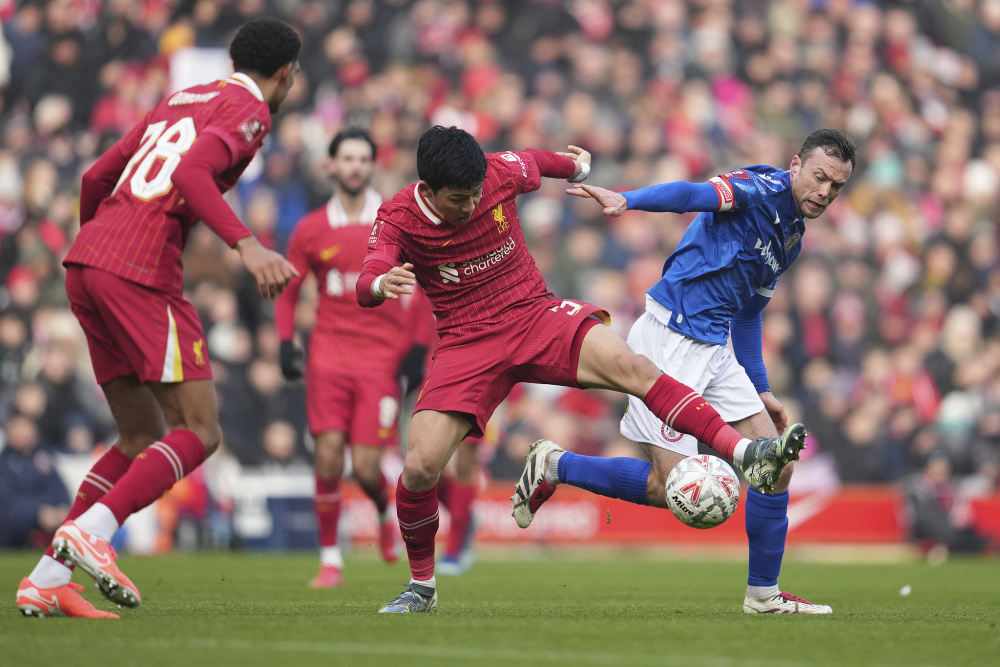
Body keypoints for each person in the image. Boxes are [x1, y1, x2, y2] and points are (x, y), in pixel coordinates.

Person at [356, 125, 807, 613]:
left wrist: (578, 165)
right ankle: (422, 587)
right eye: (458, 199)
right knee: (420, 467)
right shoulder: (399, 214)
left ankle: (743, 453)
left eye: (475, 195)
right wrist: (381, 284)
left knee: (634, 368)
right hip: (466, 342)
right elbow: (366, 278)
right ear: (428, 190)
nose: (469, 206)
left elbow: (538, 160)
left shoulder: (500, 171)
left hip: (533, 313)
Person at [15, 18, 302, 619]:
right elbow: (192, 175)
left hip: (87, 263)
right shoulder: (250, 112)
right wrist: (248, 245)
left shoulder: (181, 98)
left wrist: (96, 242)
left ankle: (45, 578)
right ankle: (96, 529)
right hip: (140, 270)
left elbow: (97, 176)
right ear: (286, 73)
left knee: (138, 435)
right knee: (200, 431)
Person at [560, 128, 858, 614]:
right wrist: (627, 200)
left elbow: (747, 313)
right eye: (820, 178)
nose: (824, 192)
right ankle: (556, 464)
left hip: (715, 348)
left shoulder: (791, 238)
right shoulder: (757, 189)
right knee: (668, 490)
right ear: (795, 166)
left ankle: (763, 594)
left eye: (837, 187)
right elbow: (691, 194)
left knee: (776, 467)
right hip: (669, 340)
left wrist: (760, 389)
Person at [275, 128, 433, 588]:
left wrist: (419, 348)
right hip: (327, 356)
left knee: (365, 466)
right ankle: (331, 561)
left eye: (363, 159)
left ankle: (385, 512)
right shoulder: (310, 229)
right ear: (331, 166)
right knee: (327, 458)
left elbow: (425, 287)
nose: (355, 166)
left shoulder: (395, 221)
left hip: (381, 359)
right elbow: (288, 293)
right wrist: (287, 342)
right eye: (347, 158)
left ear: (372, 165)